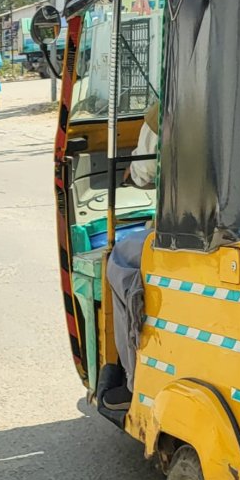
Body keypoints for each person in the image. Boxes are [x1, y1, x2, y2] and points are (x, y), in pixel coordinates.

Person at [102, 102, 159, 411]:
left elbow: (143, 172)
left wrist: (132, 172)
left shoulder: (166, 105)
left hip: (197, 233)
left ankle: (133, 381)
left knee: (121, 260)